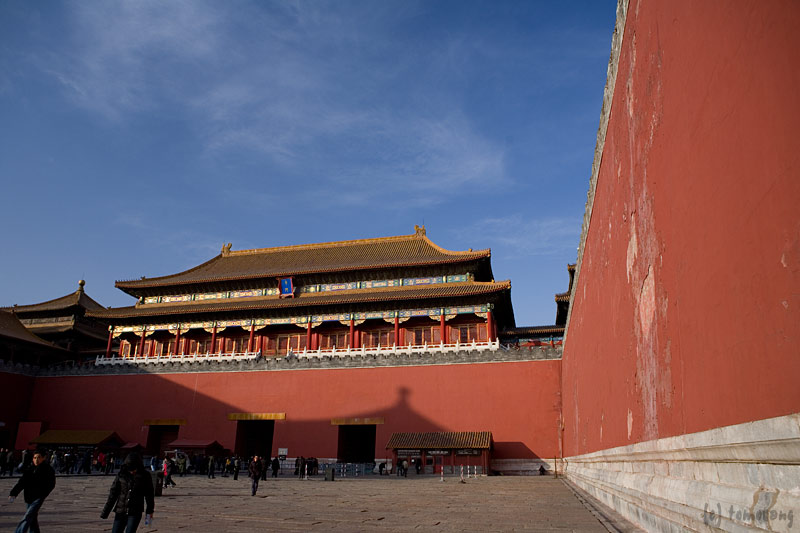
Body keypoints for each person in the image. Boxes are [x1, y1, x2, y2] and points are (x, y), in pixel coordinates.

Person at [101, 453, 154, 533]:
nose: (132, 471)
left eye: (134, 469)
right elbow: (113, 494)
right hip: (120, 510)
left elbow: (149, 495)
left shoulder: (145, 475)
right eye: (130, 469)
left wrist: (149, 515)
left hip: (135, 511)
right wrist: (105, 512)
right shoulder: (121, 474)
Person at [8, 449, 56, 533]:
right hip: (29, 496)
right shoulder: (29, 469)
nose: (36, 460)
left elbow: (51, 484)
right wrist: (13, 493)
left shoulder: (48, 469)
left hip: (39, 497)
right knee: (32, 518)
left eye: (39, 457)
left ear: (44, 458)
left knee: (28, 516)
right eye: (34, 458)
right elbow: (22, 482)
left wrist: (43, 493)